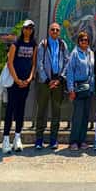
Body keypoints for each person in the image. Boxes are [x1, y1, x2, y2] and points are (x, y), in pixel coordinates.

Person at [2, 19, 37, 154]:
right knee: (10, 109)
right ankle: (6, 139)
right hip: (14, 82)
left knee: (21, 110)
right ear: (23, 29)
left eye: (30, 28)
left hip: (25, 82)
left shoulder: (33, 44)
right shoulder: (16, 43)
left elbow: (33, 63)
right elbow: (10, 62)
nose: (28, 30)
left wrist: (29, 78)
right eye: (26, 28)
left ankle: (17, 137)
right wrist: (16, 79)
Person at [34, 22, 69, 150]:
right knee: (41, 110)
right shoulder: (43, 44)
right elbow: (39, 63)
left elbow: (67, 62)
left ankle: (53, 139)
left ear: (59, 32)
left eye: (57, 30)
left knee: (56, 111)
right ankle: (39, 139)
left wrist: (59, 79)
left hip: (58, 82)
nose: (55, 32)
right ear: (49, 31)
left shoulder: (62, 44)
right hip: (45, 83)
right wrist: (46, 79)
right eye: (53, 30)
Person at [64, 30, 94, 150]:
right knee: (77, 116)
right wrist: (71, 89)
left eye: (86, 40)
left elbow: (92, 71)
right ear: (78, 41)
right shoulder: (75, 53)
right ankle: (74, 141)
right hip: (78, 88)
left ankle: (82, 140)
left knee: (85, 116)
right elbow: (70, 71)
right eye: (82, 40)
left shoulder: (90, 53)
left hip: (88, 88)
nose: (84, 42)